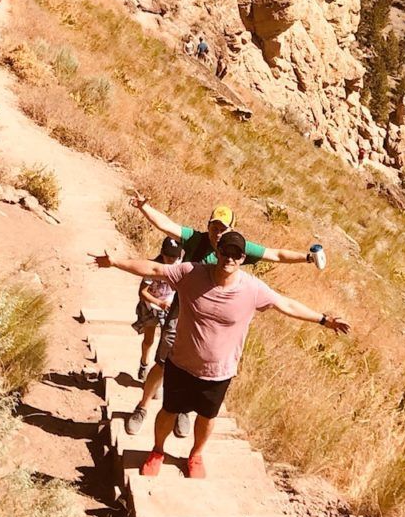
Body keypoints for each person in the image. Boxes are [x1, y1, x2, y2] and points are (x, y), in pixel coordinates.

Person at [97, 230, 349, 478]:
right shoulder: (190, 273)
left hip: (219, 372)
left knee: (207, 417)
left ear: (242, 258)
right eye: (226, 251)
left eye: (236, 253)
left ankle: (195, 455)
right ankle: (157, 451)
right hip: (181, 363)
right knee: (168, 411)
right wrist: (115, 262)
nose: (230, 258)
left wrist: (324, 320)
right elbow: (154, 270)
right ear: (217, 252)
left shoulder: (252, 289)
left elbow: (286, 304)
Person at [111, 193, 326, 439]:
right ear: (208, 226)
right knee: (162, 362)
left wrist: (307, 258)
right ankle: (142, 408)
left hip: (214, 321)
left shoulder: (237, 248)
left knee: (198, 369)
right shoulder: (195, 239)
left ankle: (183, 411)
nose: (217, 232)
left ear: (231, 229)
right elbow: (165, 225)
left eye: (222, 228)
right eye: (214, 226)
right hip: (182, 311)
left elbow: (276, 255)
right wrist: (144, 208)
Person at [133, 237, 183, 382]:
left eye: (174, 257)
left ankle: (159, 374)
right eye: (168, 256)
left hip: (169, 306)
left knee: (167, 341)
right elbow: (142, 292)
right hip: (150, 306)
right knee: (149, 340)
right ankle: (144, 363)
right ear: (162, 253)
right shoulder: (153, 267)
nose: (171, 260)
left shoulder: (179, 266)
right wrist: (159, 303)